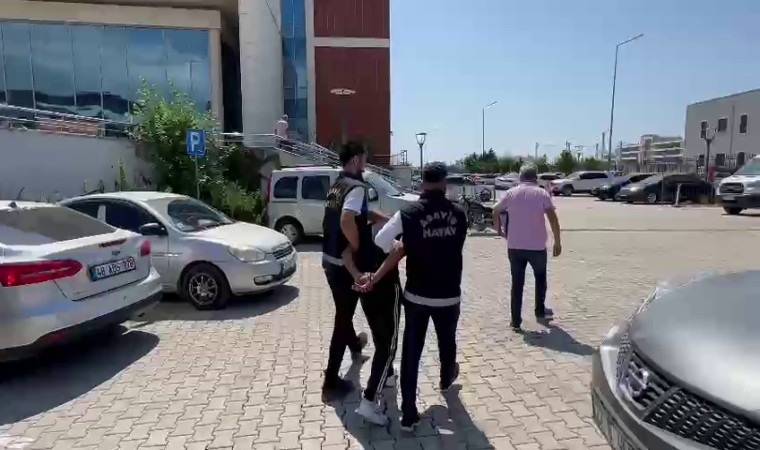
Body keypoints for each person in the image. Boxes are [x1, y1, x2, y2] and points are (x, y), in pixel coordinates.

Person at [363, 162, 468, 431]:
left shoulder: (407, 213)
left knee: (412, 352)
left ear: (422, 183)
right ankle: (446, 379)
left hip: (417, 295)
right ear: (444, 183)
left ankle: (408, 415)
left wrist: (400, 244)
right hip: (448, 294)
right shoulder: (459, 213)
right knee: (447, 343)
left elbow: (381, 241)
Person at [321, 141, 389, 399]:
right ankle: (330, 380)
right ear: (356, 160)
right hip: (345, 263)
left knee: (344, 310)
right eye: (364, 158)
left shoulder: (338, 184)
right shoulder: (357, 187)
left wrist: (382, 219)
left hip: (329, 258)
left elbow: (357, 213)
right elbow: (347, 219)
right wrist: (358, 246)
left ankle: (355, 345)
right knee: (343, 317)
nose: (366, 163)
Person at [493, 163, 562, 332]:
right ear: (535, 177)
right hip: (537, 246)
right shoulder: (541, 193)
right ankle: (540, 311)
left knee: (517, 283)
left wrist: (499, 230)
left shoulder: (511, 193)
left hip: (515, 245)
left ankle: (515, 321)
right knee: (540, 279)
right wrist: (557, 241)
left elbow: (495, 210)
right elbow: (553, 218)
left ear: (520, 177)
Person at [341, 243, 402, 425]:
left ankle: (388, 376)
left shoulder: (356, 226)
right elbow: (398, 251)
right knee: (388, 347)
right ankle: (369, 400)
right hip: (384, 286)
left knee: (379, 337)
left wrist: (357, 276)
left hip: (365, 286)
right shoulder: (392, 226)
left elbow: (346, 251)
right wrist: (373, 278)